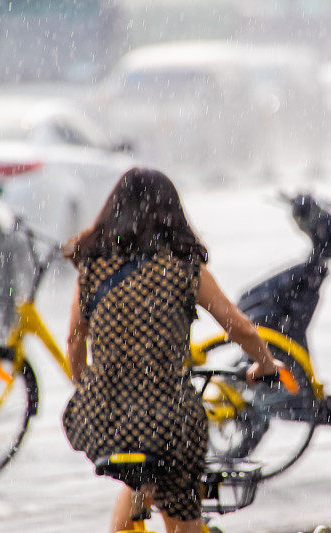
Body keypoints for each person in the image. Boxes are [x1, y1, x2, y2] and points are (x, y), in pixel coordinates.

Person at [61, 168, 280, 533]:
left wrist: (88, 387)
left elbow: (73, 340)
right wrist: (265, 363)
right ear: (171, 214)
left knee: (138, 479)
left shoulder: (93, 268)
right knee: (182, 506)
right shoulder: (183, 267)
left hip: (101, 419)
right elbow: (237, 326)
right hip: (169, 420)